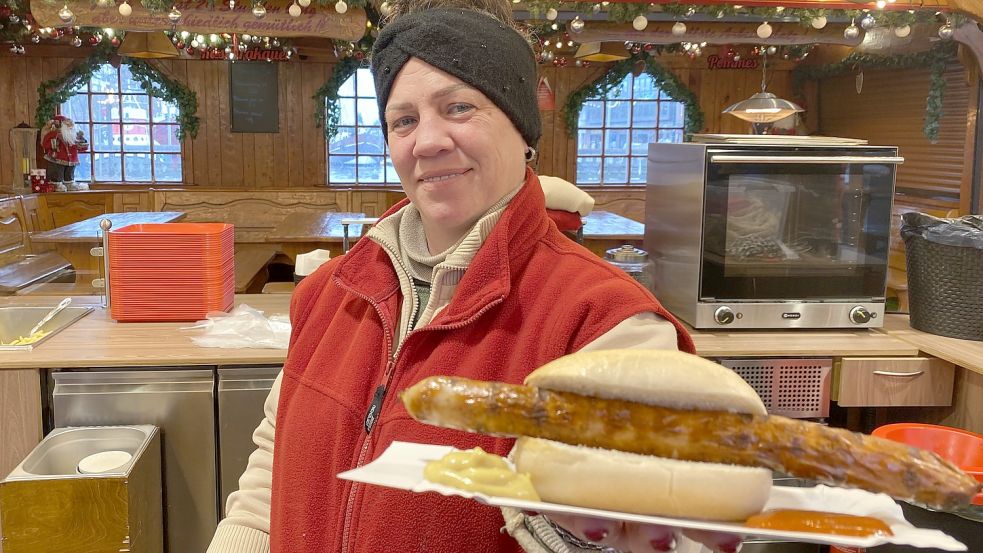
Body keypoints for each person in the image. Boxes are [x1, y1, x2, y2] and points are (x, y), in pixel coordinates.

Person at [207, 1, 741, 552]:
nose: (428, 141)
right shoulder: (329, 294)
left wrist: (580, 531)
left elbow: (676, 536)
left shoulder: (606, 324)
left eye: (459, 107)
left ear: (521, 128)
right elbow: (273, 472)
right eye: (404, 120)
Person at [40, 114, 89, 192]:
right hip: (56, 159)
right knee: (56, 172)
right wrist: (54, 142)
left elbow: (83, 147)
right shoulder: (53, 134)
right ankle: (56, 183)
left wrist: (82, 140)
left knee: (69, 173)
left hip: (71, 160)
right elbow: (45, 144)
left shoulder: (74, 135)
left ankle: (69, 182)